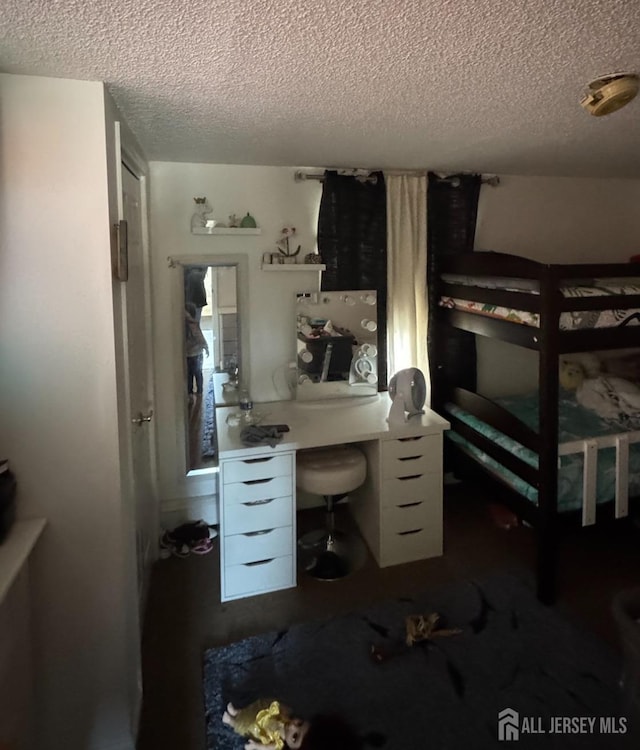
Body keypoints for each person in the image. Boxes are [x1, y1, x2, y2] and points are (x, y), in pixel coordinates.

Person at [185, 302, 209, 395]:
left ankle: (191, 393)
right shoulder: (193, 324)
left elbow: (199, 337)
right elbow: (200, 337)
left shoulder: (186, 325)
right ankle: (199, 391)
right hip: (197, 354)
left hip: (190, 354)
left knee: (190, 374)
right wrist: (205, 347)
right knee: (198, 373)